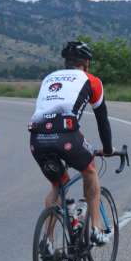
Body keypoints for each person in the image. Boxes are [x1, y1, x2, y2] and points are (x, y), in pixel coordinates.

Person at [29, 40, 113, 245]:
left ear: (66, 62)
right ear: (86, 63)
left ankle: (47, 242)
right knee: (90, 171)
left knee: (58, 185)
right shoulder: (92, 80)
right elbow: (102, 120)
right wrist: (108, 149)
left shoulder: (48, 78)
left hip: (37, 137)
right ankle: (95, 228)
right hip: (66, 134)